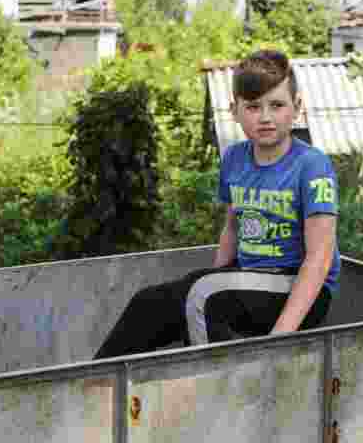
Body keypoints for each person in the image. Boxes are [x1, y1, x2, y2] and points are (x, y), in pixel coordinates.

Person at [94, 49, 340, 358]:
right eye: (253, 107)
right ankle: (93, 381)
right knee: (150, 303)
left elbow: (319, 259)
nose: (265, 117)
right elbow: (232, 229)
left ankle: (218, 384)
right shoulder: (235, 159)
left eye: (276, 105)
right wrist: (215, 279)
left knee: (202, 296)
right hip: (251, 277)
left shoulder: (311, 166)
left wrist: (279, 339)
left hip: (299, 286)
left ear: (297, 107)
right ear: (234, 110)